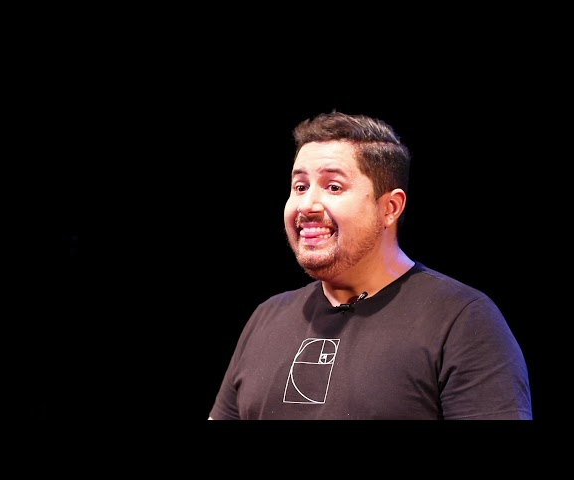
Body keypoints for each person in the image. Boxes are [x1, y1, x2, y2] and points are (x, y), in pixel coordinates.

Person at [208, 111, 532, 420]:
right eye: (300, 187)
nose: (306, 205)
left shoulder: (462, 319)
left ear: (389, 207)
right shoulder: (266, 316)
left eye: (333, 187)